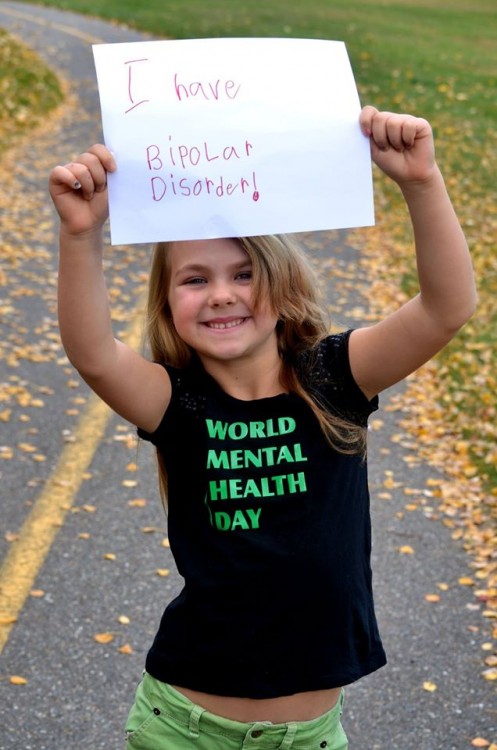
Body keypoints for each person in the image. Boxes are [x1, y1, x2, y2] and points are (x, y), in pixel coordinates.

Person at [49, 105, 476, 750]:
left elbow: (448, 307)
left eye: (243, 273)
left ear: (283, 288)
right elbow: (95, 354)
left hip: (312, 736)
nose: (221, 294)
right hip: (184, 729)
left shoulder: (335, 378)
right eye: (195, 280)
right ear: (169, 306)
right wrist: (80, 237)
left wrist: (422, 182)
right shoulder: (178, 403)